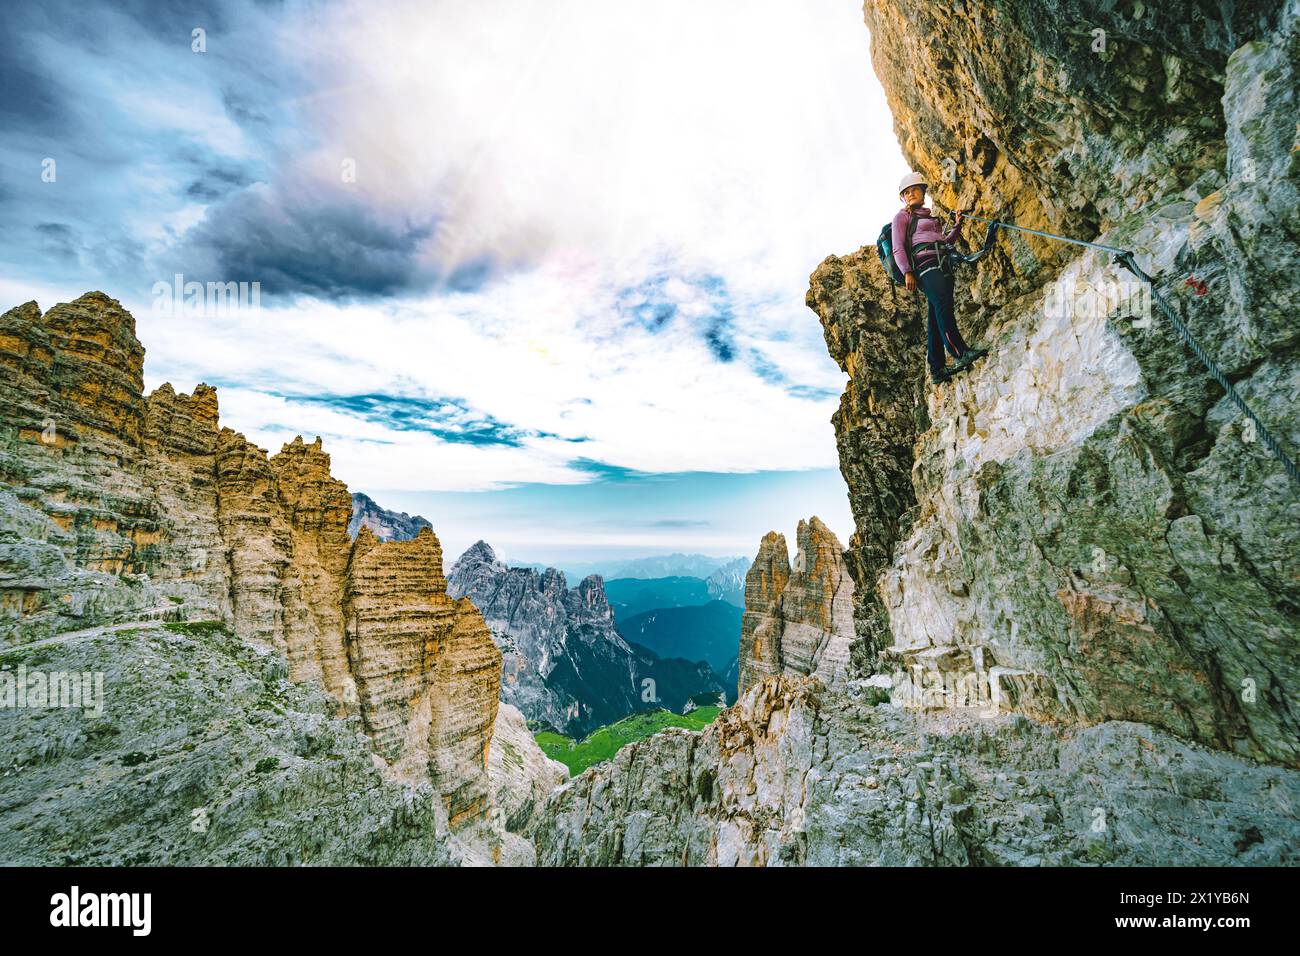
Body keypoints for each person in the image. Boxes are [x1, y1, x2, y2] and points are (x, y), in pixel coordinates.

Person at [893, 171, 988, 384]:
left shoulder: (928, 217)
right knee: (943, 305)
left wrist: (957, 224)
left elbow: (945, 242)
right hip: (924, 267)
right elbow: (898, 247)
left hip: (941, 263)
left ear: (922, 191)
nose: (910, 194)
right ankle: (960, 352)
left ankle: (936, 368)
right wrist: (907, 271)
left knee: (936, 313)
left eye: (914, 190)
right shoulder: (902, 216)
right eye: (906, 192)